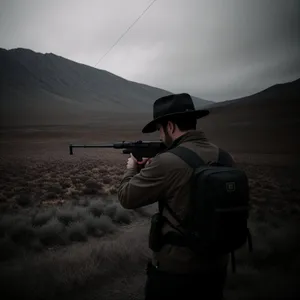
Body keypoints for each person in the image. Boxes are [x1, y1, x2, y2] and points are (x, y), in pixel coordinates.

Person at [117, 93, 236, 299]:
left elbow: (127, 197)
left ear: (170, 126)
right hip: (217, 267)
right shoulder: (224, 156)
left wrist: (131, 169)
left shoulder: (167, 162)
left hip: (176, 274)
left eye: (160, 130)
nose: (160, 136)